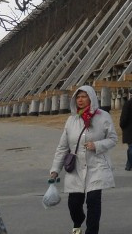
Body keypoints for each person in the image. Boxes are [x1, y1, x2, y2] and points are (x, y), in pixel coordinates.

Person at [49, 85, 117, 234]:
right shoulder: (72, 120)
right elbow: (63, 147)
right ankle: (78, 222)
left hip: (97, 165)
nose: (80, 100)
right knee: (74, 203)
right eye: (78, 97)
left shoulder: (103, 116)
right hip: (76, 167)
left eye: (83, 96)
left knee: (93, 201)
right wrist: (55, 170)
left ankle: (91, 231)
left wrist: (97, 145)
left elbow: (113, 139)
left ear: (91, 98)